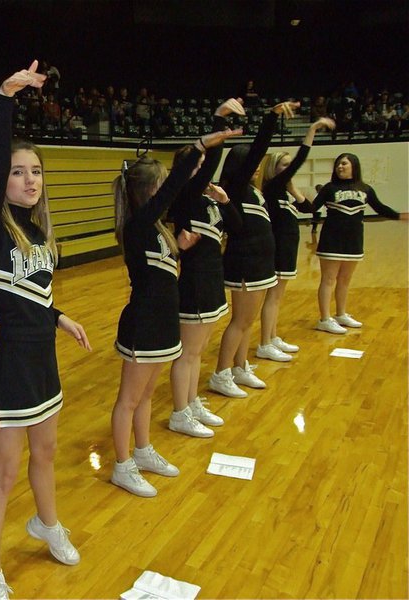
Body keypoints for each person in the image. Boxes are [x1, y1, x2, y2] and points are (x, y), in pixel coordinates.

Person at [0, 61, 91, 600]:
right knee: (6, 471)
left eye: (35, 171)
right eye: (19, 171)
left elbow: (32, 297)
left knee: (46, 453)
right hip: (11, 368)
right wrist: (4, 98)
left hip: (44, 362)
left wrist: (60, 317)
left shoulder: (37, 233)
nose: (28, 179)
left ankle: (46, 523)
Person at [110, 126, 240, 494]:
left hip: (165, 321)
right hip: (143, 324)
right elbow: (174, 187)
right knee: (129, 399)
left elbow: (160, 270)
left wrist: (180, 245)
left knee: (147, 395)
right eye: (164, 184)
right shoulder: (136, 225)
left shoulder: (157, 228)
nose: (171, 190)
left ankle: (143, 449)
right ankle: (122, 465)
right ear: (149, 191)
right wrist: (199, 148)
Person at [207, 101, 300, 398]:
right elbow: (260, 148)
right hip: (244, 263)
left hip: (261, 263)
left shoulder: (253, 190)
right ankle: (220, 374)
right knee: (241, 321)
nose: (257, 165)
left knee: (248, 322)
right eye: (252, 161)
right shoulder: (233, 187)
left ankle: (239, 366)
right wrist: (271, 118)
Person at [167, 98, 245, 438]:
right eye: (196, 164)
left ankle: (193, 400)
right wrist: (218, 122)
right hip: (195, 285)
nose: (202, 169)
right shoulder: (183, 199)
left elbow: (239, 229)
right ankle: (179, 412)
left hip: (214, 282)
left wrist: (226, 202)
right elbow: (207, 161)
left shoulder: (208, 200)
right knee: (188, 353)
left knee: (198, 352)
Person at [256, 117, 336, 361]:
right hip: (277, 249)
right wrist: (312, 130)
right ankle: (264, 343)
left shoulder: (284, 191)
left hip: (288, 250)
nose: (287, 169)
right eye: (283, 165)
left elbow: (310, 209)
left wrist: (294, 190)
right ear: (273, 169)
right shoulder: (270, 188)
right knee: (273, 297)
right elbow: (301, 160)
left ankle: (273, 335)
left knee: (278, 297)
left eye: (288, 165)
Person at [313, 153, 403, 334]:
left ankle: (340, 314)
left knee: (345, 280)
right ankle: (324, 318)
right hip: (332, 240)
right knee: (328, 279)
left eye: (344, 164)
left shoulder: (365, 189)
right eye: (338, 164)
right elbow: (312, 208)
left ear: (354, 166)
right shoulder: (329, 188)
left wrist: (401, 216)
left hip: (354, 241)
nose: (340, 167)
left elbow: (380, 208)